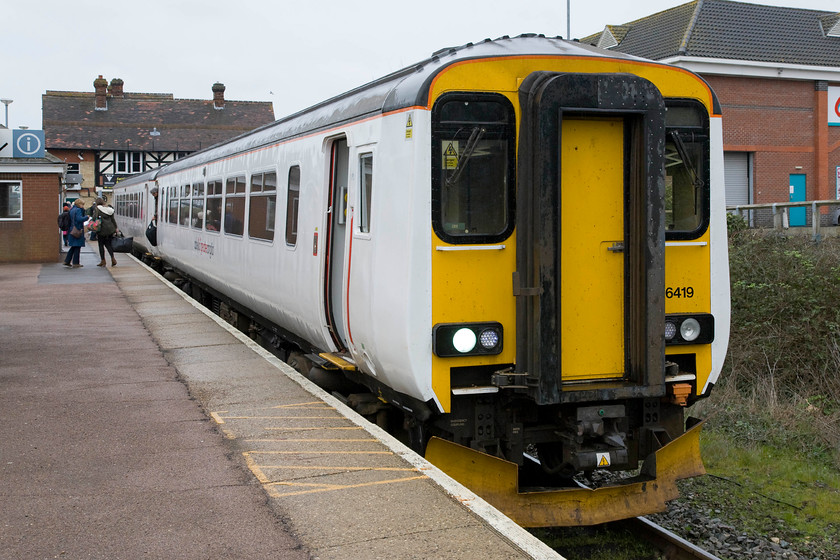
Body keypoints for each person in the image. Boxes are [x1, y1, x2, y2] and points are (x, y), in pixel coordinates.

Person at [93, 197, 119, 267]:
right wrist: (116, 228)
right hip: (110, 229)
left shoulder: (97, 209)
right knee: (108, 245)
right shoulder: (109, 210)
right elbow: (113, 220)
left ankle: (103, 261)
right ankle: (113, 259)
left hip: (101, 230)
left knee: (101, 245)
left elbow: (94, 218)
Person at [63, 199, 87, 268]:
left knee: (73, 246)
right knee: (77, 246)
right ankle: (76, 263)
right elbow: (79, 219)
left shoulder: (72, 210)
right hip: (77, 230)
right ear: (79, 204)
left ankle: (67, 261)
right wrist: (86, 217)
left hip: (71, 229)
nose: (83, 206)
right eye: (82, 204)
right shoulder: (78, 210)